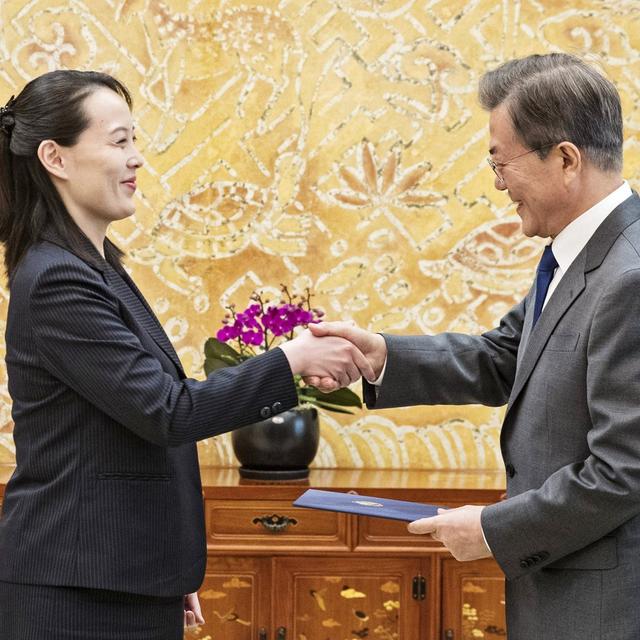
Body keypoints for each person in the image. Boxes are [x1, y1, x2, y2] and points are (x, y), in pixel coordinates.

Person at [0, 70, 374, 640]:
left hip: (120, 578)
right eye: (119, 141)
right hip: (75, 594)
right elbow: (168, 412)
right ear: (55, 156)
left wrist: (163, 567)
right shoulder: (58, 282)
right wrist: (290, 362)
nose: (137, 159)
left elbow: (130, 430)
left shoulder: (96, 268)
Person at [307, 53, 640, 639]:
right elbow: (505, 356)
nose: (497, 182)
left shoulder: (629, 274)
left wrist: (493, 529)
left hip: (604, 609)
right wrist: (382, 355)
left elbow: (624, 471)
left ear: (565, 159)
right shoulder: (582, 254)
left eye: (500, 160)